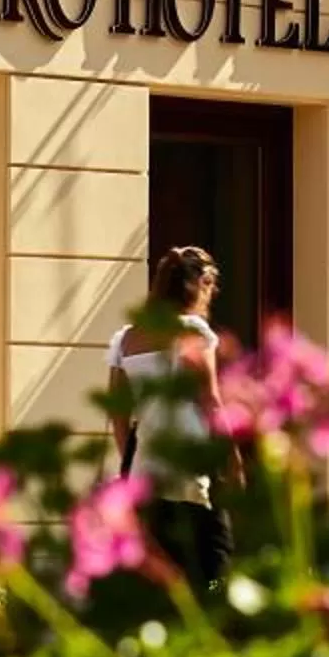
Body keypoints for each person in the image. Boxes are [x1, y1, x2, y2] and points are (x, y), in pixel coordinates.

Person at [106, 243, 237, 592]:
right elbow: (210, 400)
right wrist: (233, 459)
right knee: (214, 557)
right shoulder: (194, 330)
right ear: (203, 284)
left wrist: (129, 461)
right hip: (192, 460)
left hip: (147, 464)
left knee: (160, 564)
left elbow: (119, 412)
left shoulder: (126, 338)